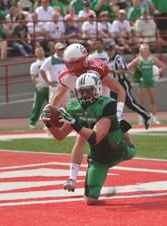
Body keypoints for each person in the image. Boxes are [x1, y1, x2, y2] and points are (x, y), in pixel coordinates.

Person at [41, 72, 134, 205]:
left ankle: (128, 142)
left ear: (97, 89)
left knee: (116, 134)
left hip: (118, 149)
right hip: (99, 158)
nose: (84, 95)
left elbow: (96, 138)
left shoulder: (107, 104)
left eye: (87, 91)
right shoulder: (73, 106)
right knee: (90, 201)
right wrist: (48, 123)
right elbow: (60, 136)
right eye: (81, 92)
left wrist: (74, 122)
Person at [48, 43, 126, 194]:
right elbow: (57, 96)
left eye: (78, 62)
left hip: (103, 107)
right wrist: (50, 114)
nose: (75, 66)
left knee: (117, 137)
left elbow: (119, 89)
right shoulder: (66, 76)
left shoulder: (97, 69)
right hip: (84, 106)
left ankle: (125, 150)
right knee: (80, 139)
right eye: (71, 63)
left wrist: (119, 113)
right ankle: (72, 178)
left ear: (84, 59)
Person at [107, 43, 152, 129]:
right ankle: (115, 122)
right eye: (108, 50)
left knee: (130, 103)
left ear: (114, 50)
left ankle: (147, 116)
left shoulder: (118, 58)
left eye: (111, 50)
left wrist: (114, 71)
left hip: (122, 83)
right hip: (114, 84)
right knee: (110, 103)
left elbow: (125, 70)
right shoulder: (109, 60)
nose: (109, 52)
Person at [128, 43, 166, 125]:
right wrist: (135, 76)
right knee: (141, 102)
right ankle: (141, 119)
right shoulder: (138, 60)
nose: (146, 50)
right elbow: (127, 67)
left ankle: (154, 119)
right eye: (144, 48)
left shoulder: (152, 59)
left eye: (147, 48)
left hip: (151, 82)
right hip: (142, 83)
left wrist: (158, 73)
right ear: (141, 50)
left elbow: (163, 66)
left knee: (153, 101)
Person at [29, 47, 49, 129]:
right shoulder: (34, 64)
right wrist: (38, 85)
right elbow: (33, 76)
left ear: (44, 51)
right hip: (40, 87)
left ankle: (49, 123)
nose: (39, 52)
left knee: (51, 106)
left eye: (40, 51)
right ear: (35, 53)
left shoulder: (48, 61)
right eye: (37, 51)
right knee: (37, 106)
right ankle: (32, 122)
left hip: (50, 86)